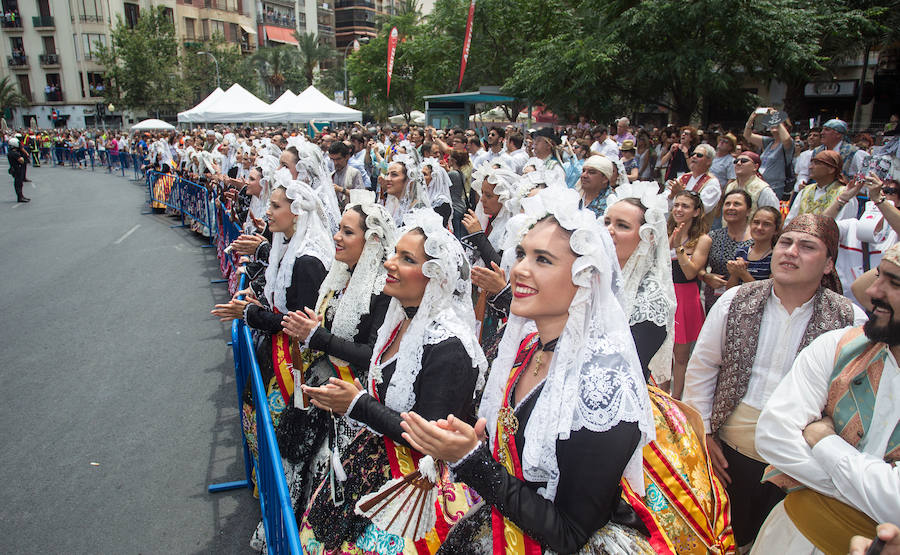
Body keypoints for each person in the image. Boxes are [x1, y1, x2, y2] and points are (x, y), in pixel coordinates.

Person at [399, 189, 659, 554]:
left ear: (584, 279)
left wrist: (472, 460)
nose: (519, 268)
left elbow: (570, 533)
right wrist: (467, 445)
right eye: (522, 253)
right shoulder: (526, 349)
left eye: (543, 260)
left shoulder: (601, 388)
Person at [296, 209, 487, 554]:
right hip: (374, 457)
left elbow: (428, 437)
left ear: (435, 276)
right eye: (394, 253)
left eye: (406, 258)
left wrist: (357, 404)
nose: (389, 263)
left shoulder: (449, 346)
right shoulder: (400, 320)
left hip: (416, 485)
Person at [682, 214, 867, 552]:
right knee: (719, 539)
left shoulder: (850, 320)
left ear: (828, 264)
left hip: (801, 466)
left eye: (806, 246)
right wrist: (703, 432)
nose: (790, 252)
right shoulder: (735, 300)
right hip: (728, 452)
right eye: (786, 242)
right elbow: (703, 367)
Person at [751, 242, 900, 555]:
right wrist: (870, 491)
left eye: (895, 283)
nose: (873, 291)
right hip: (788, 536)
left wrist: (824, 443)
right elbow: (772, 435)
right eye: (879, 276)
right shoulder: (839, 346)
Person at [267, 191, 396, 538]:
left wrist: (318, 337)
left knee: (333, 480)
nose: (336, 237)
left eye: (347, 232)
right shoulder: (341, 276)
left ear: (370, 242)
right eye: (338, 229)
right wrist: (313, 327)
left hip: (353, 402)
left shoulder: (383, 290)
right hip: (324, 390)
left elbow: (373, 355)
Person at [211, 179, 333, 474]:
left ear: (297, 213)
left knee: (281, 434)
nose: (267, 211)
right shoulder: (287, 245)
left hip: (295, 363)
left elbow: (299, 323)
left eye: (275, 206)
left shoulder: (307, 261)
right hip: (277, 352)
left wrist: (251, 314)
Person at [605, 181, 676, 382]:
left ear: (648, 237)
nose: (609, 230)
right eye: (607, 222)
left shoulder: (651, 298)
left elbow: (627, 366)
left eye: (622, 226)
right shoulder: (599, 276)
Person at [668, 191, 711, 399]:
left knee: (681, 356)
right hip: (665, 295)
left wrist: (678, 247)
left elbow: (690, 272)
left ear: (696, 212)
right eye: (676, 205)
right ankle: (660, 395)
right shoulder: (665, 231)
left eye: (685, 206)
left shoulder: (702, 240)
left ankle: (676, 400)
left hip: (685, 296)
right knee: (662, 353)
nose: (679, 209)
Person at [701, 189, 753, 312]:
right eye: (727, 204)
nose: (731, 207)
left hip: (746, 301)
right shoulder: (713, 236)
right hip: (716, 300)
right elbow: (699, 268)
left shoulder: (757, 238)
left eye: (737, 204)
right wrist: (706, 276)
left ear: (748, 211)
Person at [785, 150, 857, 225]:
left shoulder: (846, 194)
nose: (810, 167)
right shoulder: (805, 191)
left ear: (831, 169)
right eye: (811, 163)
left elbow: (843, 226)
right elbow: (790, 220)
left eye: (817, 163)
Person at [743, 107, 794, 198]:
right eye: (772, 122)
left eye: (777, 122)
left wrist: (776, 118)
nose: (773, 124)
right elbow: (747, 135)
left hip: (775, 187)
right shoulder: (769, 142)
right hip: (761, 185)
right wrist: (752, 117)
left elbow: (786, 139)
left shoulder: (788, 144)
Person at [727, 206, 782, 287]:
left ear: (776, 230)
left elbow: (767, 292)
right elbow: (730, 289)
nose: (759, 227)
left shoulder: (776, 258)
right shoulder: (741, 252)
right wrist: (735, 273)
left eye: (766, 224)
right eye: (756, 222)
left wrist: (743, 273)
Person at [665, 143, 722, 217]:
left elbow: (702, 209)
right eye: (693, 154)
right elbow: (664, 202)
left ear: (709, 161)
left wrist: (681, 194)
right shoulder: (683, 177)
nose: (694, 157)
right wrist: (671, 196)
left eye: (699, 155)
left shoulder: (712, 183)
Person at [382, 153, 430, 226]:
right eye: (387, 174)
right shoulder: (397, 205)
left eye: (394, 175)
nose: (388, 179)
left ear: (408, 180)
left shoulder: (418, 209)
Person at [328, 141, 364, 210]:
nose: (335, 163)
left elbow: (361, 196)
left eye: (338, 159)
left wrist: (341, 190)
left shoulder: (354, 173)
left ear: (347, 157)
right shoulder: (331, 176)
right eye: (333, 160)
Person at [420, 157, 453, 227]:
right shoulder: (422, 195)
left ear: (434, 179)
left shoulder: (442, 202)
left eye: (425, 174)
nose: (421, 177)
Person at [7, 137, 28, 202]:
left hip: (15, 168)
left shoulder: (11, 152)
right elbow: (21, 160)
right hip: (17, 169)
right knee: (18, 183)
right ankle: (20, 197)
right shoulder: (14, 153)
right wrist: (23, 158)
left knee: (19, 183)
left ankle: (21, 196)